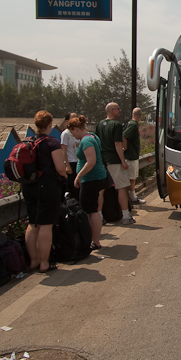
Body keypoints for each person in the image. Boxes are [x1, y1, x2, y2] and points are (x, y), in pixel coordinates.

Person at [22, 110, 66, 273]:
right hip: (47, 187)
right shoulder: (52, 142)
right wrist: (63, 175)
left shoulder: (28, 141)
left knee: (33, 223)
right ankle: (44, 263)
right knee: (46, 225)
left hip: (29, 187)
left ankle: (33, 261)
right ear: (49, 124)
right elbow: (60, 168)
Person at [68, 116, 108, 249]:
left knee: (91, 210)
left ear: (76, 129)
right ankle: (93, 239)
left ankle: (95, 241)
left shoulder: (86, 141)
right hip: (95, 178)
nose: (73, 135)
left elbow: (91, 162)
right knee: (92, 209)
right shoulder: (93, 137)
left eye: (72, 132)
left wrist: (78, 176)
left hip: (91, 179)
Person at [95, 102, 134, 224]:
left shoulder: (100, 124)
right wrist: (123, 161)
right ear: (112, 110)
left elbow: (97, 142)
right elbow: (118, 144)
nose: (120, 110)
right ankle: (125, 215)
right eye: (118, 109)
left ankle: (99, 216)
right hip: (114, 160)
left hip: (102, 160)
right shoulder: (117, 125)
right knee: (121, 187)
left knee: (101, 190)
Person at [122, 107, 146, 205]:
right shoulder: (133, 125)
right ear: (140, 116)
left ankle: (132, 196)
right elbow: (124, 135)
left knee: (133, 177)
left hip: (133, 156)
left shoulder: (132, 124)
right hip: (131, 157)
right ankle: (132, 198)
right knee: (131, 178)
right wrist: (125, 147)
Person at [60, 112, 80, 199]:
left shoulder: (78, 132)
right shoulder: (66, 134)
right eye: (73, 117)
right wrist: (67, 165)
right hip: (71, 162)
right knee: (72, 187)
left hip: (78, 162)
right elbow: (63, 150)